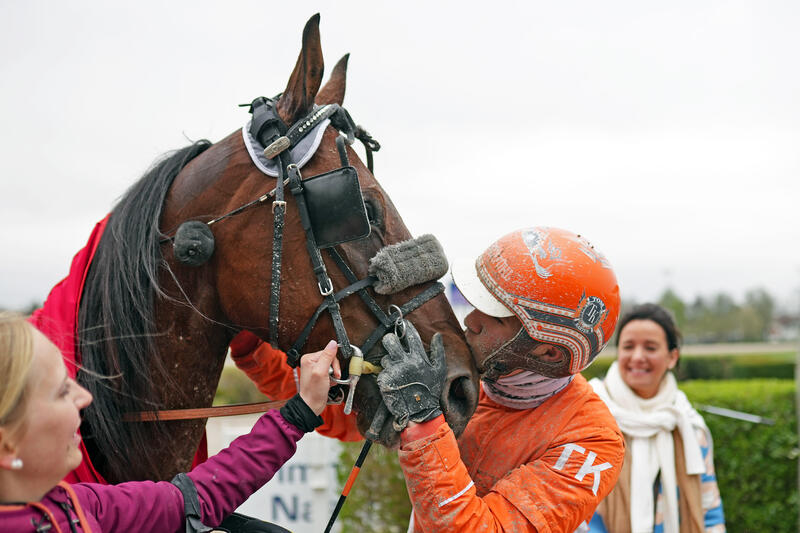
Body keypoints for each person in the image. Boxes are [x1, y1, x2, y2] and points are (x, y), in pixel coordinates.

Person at [375, 226, 626, 532]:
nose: (470, 321)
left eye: (495, 318)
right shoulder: (470, 376)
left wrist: (424, 422)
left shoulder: (592, 440)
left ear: (548, 353)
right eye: (478, 305)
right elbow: (347, 426)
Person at [0, 311, 340, 533]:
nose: (83, 397)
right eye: (61, 391)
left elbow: (195, 498)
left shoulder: (75, 504)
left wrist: (303, 408)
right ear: (6, 444)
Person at [586, 303, 726, 533]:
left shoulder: (689, 428)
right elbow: (572, 510)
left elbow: (709, 510)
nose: (637, 357)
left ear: (672, 357)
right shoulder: (589, 417)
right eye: (628, 347)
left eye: (650, 348)